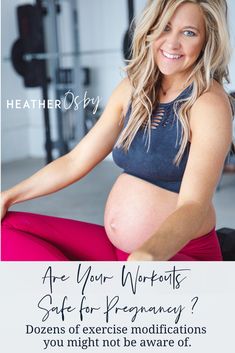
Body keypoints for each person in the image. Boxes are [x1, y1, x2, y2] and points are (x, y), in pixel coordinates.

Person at [1, 0, 233, 261]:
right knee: (6, 230)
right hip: (123, 253)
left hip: (174, 255)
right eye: (165, 27)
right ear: (151, 30)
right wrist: (7, 197)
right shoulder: (132, 88)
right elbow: (75, 161)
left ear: (206, 40)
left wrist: (149, 253)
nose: (172, 43)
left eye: (189, 32)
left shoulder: (208, 102)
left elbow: (195, 206)